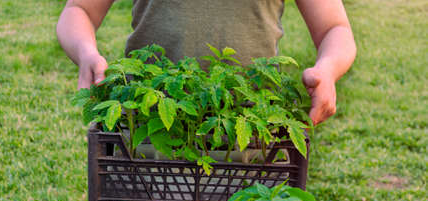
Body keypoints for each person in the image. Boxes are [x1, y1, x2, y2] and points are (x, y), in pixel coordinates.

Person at [57, 0, 356, 126]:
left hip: (250, 128)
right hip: (150, 126)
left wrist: (327, 69)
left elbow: (335, 29)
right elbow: (79, 9)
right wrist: (86, 52)